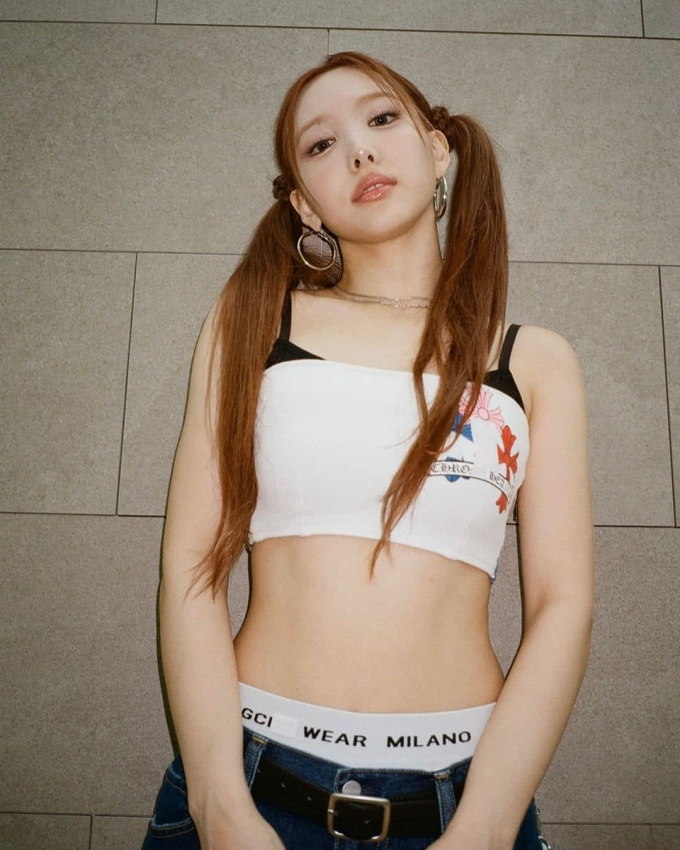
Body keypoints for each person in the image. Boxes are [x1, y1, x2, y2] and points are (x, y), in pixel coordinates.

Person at [142, 51, 594, 850]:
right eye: (321, 145)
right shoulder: (254, 321)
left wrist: (487, 827)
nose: (358, 151)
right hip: (251, 787)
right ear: (303, 203)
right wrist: (219, 807)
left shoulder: (533, 362)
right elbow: (191, 565)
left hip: (462, 802)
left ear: (438, 148)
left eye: (382, 119)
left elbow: (563, 604)